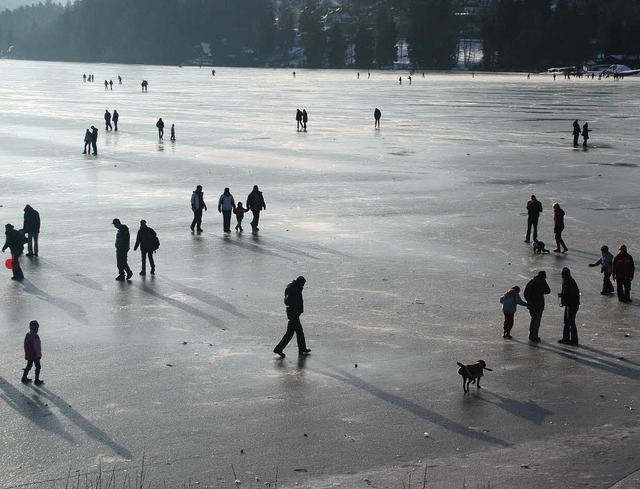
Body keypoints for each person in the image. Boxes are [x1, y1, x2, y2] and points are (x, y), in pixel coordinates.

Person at [273, 276, 311, 357]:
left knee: (298, 332)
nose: (303, 285)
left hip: (293, 313)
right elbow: (289, 300)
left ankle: (302, 348)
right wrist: (295, 309)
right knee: (291, 333)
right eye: (303, 283)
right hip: (293, 313)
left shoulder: (294, 287)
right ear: (300, 282)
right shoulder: (294, 288)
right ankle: (279, 349)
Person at [523, 271, 550, 343]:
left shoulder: (531, 281)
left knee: (533, 319)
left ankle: (531, 335)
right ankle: (535, 336)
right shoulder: (542, 282)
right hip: (538, 304)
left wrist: (528, 301)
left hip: (531, 304)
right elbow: (548, 291)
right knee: (537, 320)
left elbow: (525, 292)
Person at [558, 267, 580, 345]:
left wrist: (563, 296)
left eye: (562, 274)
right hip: (569, 304)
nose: (561, 275)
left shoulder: (569, 282)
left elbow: (571, 294)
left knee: (570, 322)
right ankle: (566, 338)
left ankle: (574, 340)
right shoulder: (567, 281)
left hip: (572, 305)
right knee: (567, 321)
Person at [22, 320, 43, 385]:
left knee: (29, 365)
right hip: (35, 355)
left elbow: (25, 344)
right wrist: (39, 354)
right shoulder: (35, 336)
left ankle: (24, 377)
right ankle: (36, 380)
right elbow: (36, 347)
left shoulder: (28, 335)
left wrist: (27, 353)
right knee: (38, 366)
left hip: (29, 354)